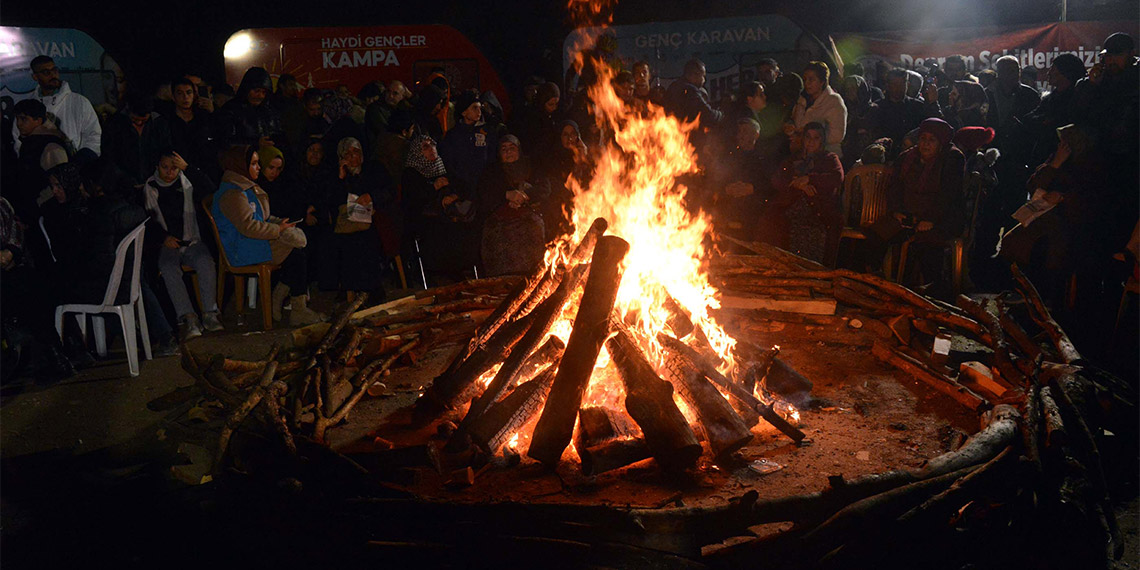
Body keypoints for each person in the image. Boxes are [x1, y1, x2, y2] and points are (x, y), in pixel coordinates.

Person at [212, 145, 323, 325]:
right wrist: (278, 230)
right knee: (297, 254)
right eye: (254, 164)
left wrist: (281, 224)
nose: (259, 167)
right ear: (240, 165)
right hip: (243, 248)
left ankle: (282, 300)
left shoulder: (245, 188)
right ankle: (295, 307)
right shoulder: (233, 193)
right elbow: (248, 226)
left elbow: (261, 217)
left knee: (299, 251)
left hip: (253, 241)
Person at [999, 124, 1106, 305]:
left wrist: (1064, 197)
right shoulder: (1057, 158)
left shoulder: (1090, 164)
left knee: (1048, 250)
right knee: (1014, 241)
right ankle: (1021, 290)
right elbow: (1033, 185)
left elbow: (1092, 197)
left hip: (1070, 220)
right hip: (1043, 216)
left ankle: (1044, 296)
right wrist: (1055, 164)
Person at [865, 118, 965, 292]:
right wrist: (897, 211)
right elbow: (895, 187)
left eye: (931, 140)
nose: (926, 144)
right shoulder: (907, 158)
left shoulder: (952, 159)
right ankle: (873, 278)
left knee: (927, 242)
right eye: (923, 138)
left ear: (941, 143)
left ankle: (933, 289)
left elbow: (948, 195)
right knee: (877, 233)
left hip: (941, 217)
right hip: (908, 214)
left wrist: (930, 219)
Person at [144, 150, 222, 340]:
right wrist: (164, 237)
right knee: (168, 267)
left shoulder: (187, 182)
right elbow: (148, 221)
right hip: (167, 244)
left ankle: (209, 313)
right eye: (165, 167)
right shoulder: (150, 187)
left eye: (174, 168)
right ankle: (189, 317)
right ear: (157, 167)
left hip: (191, 239)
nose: (169, 172)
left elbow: (210, 188)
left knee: (205, 262)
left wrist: (188, 168)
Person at [318, 137, 391, 300]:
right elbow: (331, 200)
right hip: (347, 223)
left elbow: (388, 191)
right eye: (347, 154)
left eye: (356, 152)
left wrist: (371, 196)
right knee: (341, 242)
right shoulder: (337, 175)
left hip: (372, 219)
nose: (352, 157)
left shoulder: (374, 169)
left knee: (367, 240)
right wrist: (340, 178)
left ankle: (371, 289)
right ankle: (349, 290)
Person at [402, 134, 477, 282]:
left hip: (451, 216)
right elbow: (412, 202)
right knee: (440, 231)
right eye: (425, 147)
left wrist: (454, 196)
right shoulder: (411, 174)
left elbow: (465, 187)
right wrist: (434, 190)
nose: (431, 149)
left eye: (432, 145)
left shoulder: (444, 167)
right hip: (426, 220)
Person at [769, 122, 844, 264]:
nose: (811, 142)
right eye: (808, 137)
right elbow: (777, 179)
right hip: (791, 208)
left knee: (814, 232)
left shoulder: (829, 158)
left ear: (822, 140)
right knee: (773, 222)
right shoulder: (793, 159)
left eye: (816, 138)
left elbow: (836, 177)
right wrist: (796, 183)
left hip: (818, 210)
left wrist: (810, 179)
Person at [476, 135, 550, 276]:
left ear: (519, 150)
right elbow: (484, 193)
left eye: (512, 148)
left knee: (534, 232)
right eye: (504, 149)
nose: (508, 152)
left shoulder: (531, 166)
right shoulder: (492, 171)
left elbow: (544, 188)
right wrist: (507, 195)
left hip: (529, 217)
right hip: (500, 220)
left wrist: (524, 196)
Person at [11, 56, 101, 166]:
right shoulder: (27, 108)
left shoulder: (79, 102)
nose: (53, 75)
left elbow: (94, 136)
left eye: (54, 70)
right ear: (35, 77)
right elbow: (18, 141)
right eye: (46, 72)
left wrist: (79, 161)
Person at [12, 98, 70, 220]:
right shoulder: (30, 142)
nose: (18, 124)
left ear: (38, 121)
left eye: (24, 119)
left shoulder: (50, 146)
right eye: (17, 119)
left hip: (48, 214)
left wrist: (39, 205)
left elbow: (61, 184)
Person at [101, 91, 173, 188]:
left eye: (143, 120)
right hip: (123, 185)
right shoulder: (114, 124)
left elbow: (166, 152)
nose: (139, 123)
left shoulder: (159, 124)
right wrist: (123, 179)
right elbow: (108, 157)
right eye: (134, 120)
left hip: (155, 183)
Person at [866, 68, 940, 158]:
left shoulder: (917, 106)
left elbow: (933, 126)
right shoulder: (878, 108)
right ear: (888, 85)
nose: (899, 88)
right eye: (895, 84)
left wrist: (933, 103)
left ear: (907, 84)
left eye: (902, 84)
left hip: (911, 157)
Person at [439, 90, 496, 191]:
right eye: (474, 108)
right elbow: (448, 163)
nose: (479, 112)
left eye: (480, 108)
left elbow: (492, 158)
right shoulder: (452, 135)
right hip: (460, 188)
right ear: (464, 112)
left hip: (483, 187)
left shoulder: (487, 132)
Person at [215, 67, 284, 149]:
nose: (260, 96)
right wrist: (255, 143)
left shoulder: (270, 111)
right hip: (243, 156)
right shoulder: (231, 110)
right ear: (246, 89)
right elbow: (225, 141)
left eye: (264, 92)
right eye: (256, 91)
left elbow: (279, 135)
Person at [168, 77, 214, 174]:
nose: (185, 97)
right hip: (176, 170)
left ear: (194, 95)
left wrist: (213, 112)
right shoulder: (167, 121)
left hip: (204, 170)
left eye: (189, 93)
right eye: (180, 93)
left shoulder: (203, 117)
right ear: (173, 96)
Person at [664, 59, 723, 133]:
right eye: (703, 76)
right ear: (694, 75)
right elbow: (708, 115)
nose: (704, 80)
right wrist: (721, 113)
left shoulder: (674, 86)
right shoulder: (690, 91)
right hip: (685, 135)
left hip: (672, 134)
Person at [512, 81, 561, 150]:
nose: (554, 108)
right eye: (550, 104)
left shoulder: (554, 117)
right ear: (542, 102)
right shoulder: (529, 119)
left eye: (556, 104)